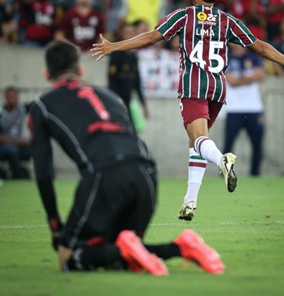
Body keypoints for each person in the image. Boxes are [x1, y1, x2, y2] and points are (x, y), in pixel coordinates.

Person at [91, 0, 284, 221]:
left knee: (199, 139)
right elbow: (259, 46)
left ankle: (222, 161)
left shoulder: (183, 16)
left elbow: (151, 37)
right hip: (218, 88)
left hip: (193, 86)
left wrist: (114, 46)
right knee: (197, 142)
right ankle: (190, 201)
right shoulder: (227, 20)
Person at [29, 39, 225, 275]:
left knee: (68, 260)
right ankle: (181, 247)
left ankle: (127, 250)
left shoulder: (41, 105)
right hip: (147, 175)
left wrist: (55, 226)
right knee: (119, 257)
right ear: (80, 70)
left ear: (46, 73)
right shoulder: (111, 97)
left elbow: (42, 172)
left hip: (106, 175)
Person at [223, 44, 265, 176]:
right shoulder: (226, 58)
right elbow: (231, 81)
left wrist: (240, 78)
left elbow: (261, 75)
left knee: (257, 143)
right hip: (234, 108)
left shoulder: (254, 58)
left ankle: (255, 173)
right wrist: (249, 77)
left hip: (253, 108)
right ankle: (226, 172)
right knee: (228, 144)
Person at [0, 86, 31, 179]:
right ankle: (17, 178)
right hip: (4, 146)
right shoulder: (1, 112)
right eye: (10, 96)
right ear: (6, 97)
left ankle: (47, 177)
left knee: (39, 147)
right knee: (12, 151)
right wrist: (17, 141)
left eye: (15, 96)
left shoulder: (21, 109)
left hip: (18, 145)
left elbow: (37, 106)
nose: (13, 99)